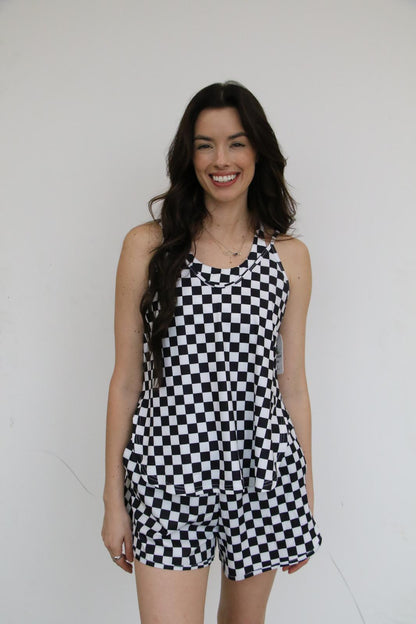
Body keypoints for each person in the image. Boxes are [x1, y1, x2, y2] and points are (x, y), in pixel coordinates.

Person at [101, 81, 323, 624]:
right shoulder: (148, 246)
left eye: (236, 143)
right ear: (189, 155)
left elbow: (292, 384)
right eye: (205, 145)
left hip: (263, 474)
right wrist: (114, 500)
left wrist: (303, 497)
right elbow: (126, 380)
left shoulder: (289, 258)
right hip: (167, 473)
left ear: (258, 152)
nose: (221, 160)